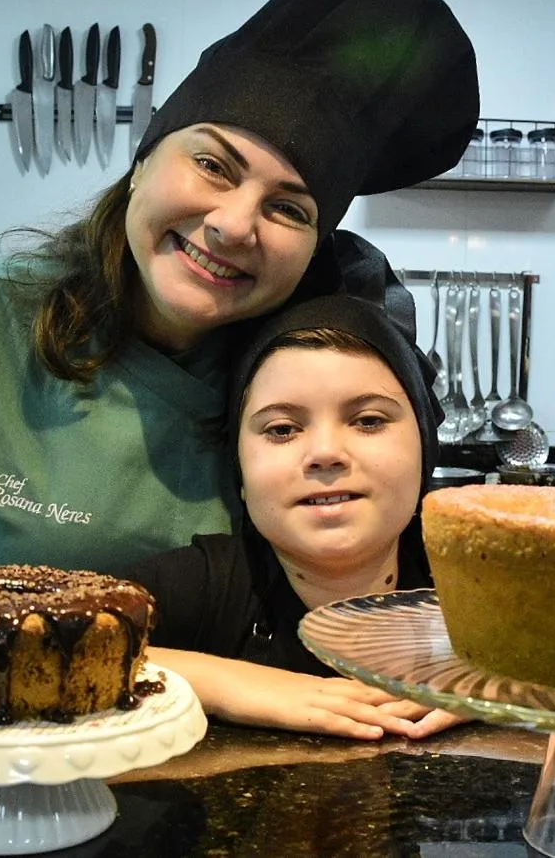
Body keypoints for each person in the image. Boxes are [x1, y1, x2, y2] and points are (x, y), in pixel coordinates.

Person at [0, 0, 479, 682]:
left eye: (288, 207)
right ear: (144, 160)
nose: (233, 223)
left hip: (233, 757)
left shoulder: (301, 373)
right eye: (214, 166)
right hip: (1, 750)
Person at [123, 293, 466, 741]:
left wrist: (503, 683)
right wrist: (225, 684)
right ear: (240, 472)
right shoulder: (209, 584)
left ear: (424, 447)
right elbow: (10, 649)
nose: (324, 453)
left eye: (367, 421)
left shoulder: (478, 577)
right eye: (282, 429)